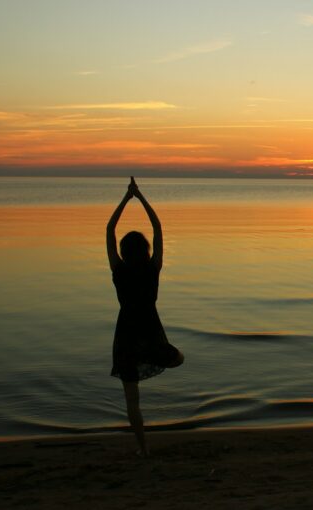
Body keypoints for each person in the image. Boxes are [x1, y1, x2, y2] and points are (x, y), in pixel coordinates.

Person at [106, 177, 184, 457]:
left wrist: (127, 199)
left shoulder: (119, 270)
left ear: (124, 253)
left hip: (126, 335)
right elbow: (158, 227)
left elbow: (110, 229)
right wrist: (140, 197)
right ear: (146, 251)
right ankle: (150, 356)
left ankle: (143, 449)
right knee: (179, 359)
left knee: (132, 400)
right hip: (150, 333)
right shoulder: (153, 269)